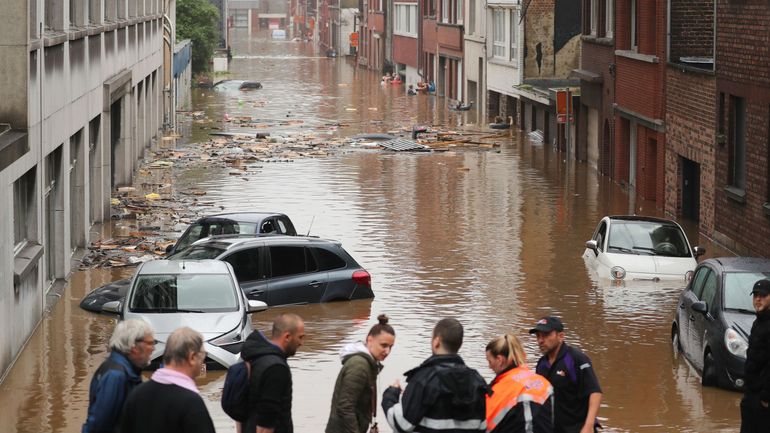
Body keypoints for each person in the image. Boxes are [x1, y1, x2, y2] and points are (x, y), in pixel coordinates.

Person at [382, 318, 487, 433]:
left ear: (436, 341)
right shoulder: (477, 381)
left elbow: (401, 424)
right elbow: (482, 427)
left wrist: (391, 394)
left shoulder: (423, 378)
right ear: (459, 344)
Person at [119, 327, 215, 433]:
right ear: (192, 357)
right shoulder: (192, 403)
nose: (202, 362)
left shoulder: (136, 394)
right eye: (203, 356)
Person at [530, 317, 602, 433]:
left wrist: (588, 426)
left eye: (546, 335)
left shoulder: (576, 359)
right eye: (538, 336)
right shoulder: (541, 364)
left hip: (578, 428)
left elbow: (595, 392)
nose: (540, 340)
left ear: (561, 336)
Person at [326, 314, 396, 433]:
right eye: (383, 345)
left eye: (391, 347)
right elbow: (345, 408)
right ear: (370, 340)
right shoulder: (359, 366)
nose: (387, 351)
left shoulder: (368, 363)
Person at [82, 319, 154, 433]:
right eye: (150, 343)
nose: (153, 348)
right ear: (133, 346)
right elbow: (98, 426)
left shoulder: (127, 370)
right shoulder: (116, 376)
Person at [242, 313, 305, 433]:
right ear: (287, 337)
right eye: (300, 337)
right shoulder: (276, 368)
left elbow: (241, 412)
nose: (301, 343)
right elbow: (266, 424)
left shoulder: (254, 357)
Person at [485, 333, 554, 433]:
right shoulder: (544, 383)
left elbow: (486, 424)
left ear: (499, 360)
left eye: (489, 361)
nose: (489, 366)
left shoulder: (497, 391)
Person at [740, 279, 770, 433]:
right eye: (755, 295)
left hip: (763, 402)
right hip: (751, 396)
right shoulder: (757, 323)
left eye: (763, 295)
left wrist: (766, 398)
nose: (758, 299)